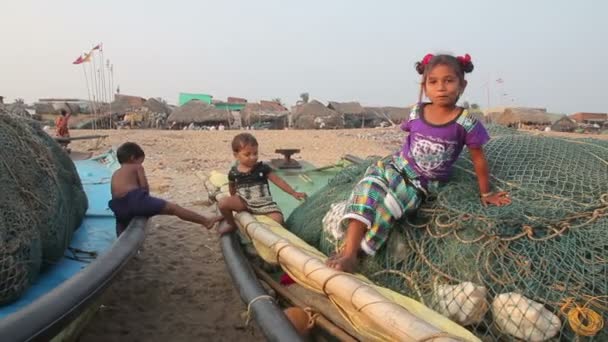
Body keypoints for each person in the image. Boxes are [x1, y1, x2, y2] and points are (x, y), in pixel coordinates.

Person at [326, 53, 511, 273]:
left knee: (388, 209)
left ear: (462, 84)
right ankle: (348, 252)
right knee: (367, 189)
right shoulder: (417, 111)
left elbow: (478, 160)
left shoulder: (467, 122)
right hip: (395, 166)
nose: (441, 87)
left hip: (421, 183)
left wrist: (486, 193)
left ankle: (359, 253)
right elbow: (409, 137)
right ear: (424, 86)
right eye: (433, 82)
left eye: (449, 81)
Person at [109, 142, 221, 236]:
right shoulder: (137, 166)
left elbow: (114, 194)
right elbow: (144, 188)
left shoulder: (115, 173)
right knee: (174, 209)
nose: (141, 164)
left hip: (118, 205)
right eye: (141, 161)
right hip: (135, 199)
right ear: (133, 158)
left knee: (121, 224)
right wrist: (148, 205)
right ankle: (206, 221)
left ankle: (120, 242)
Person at [217, 133, 307, 234]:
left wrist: (293, 193)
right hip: (245, 203)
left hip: (265, 204)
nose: (252, 157)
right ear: (236, 155)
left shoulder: (262, 168)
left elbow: (278, 181)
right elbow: (232, 186)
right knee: (223, 203)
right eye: (247, 154)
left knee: (278, 220)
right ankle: (230, 223)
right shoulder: (233, 172)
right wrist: (234, 199)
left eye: (255, 153)